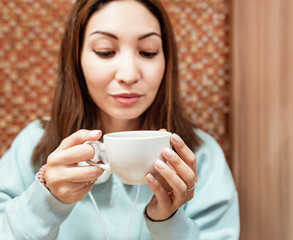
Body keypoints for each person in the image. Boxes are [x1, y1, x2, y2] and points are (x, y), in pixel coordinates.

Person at [0, 0, 240, 239]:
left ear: (166, 61)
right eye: (105, 51)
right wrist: (46, 204)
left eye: (148, 52)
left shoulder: (202, 158)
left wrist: (168, 223)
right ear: (76, 60)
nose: (128, 74)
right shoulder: (33, 146)